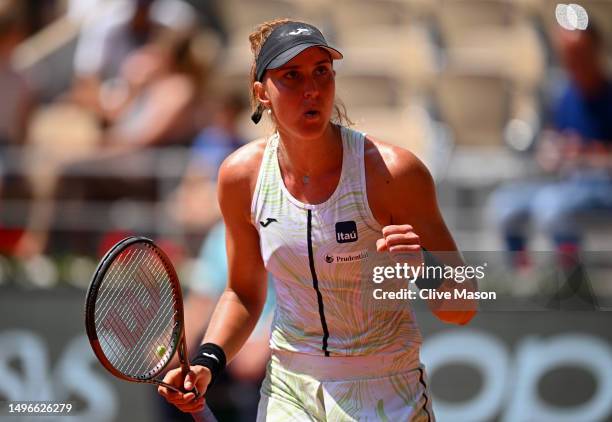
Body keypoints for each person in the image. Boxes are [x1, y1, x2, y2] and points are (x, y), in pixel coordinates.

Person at [158, 19, 477, 421]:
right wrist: (208, 361)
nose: (311, 89)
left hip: (386, 390)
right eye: (291, 75)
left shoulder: (393, 173)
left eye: (321, 72)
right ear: (262, 94)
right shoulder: (241, 176)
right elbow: (242, 293)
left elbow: (463, 305)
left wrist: (424, 268)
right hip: (289, 389)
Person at [490, 24, 612, 270]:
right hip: (568, 182)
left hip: (603, 187)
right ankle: (521, 277)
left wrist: (586, 155)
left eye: (579, 54)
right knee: (505, 203)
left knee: (552, 204)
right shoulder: (565, 95)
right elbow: (552, 145)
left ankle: (569, 277)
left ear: (596, 52)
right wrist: (552, 152)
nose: (573, 62)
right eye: (568, 55)